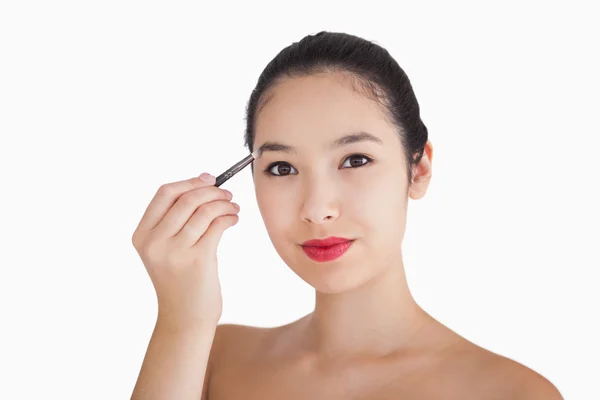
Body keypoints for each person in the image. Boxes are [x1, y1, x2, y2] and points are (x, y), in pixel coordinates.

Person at [130, 31, 563, 399]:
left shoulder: (509, 393)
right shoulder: (213, 359)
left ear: (419, 169)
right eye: (282, 168)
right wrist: (182, 319)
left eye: (355, 160)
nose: (317, 210)